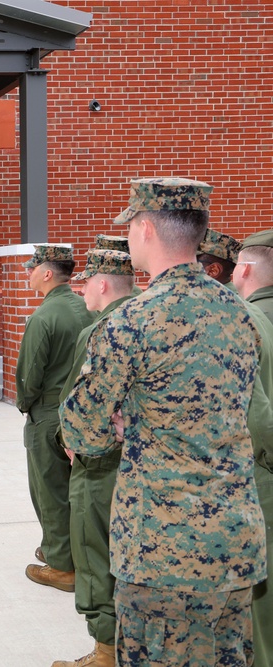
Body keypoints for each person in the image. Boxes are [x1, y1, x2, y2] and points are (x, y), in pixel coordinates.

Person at [61, 178, 267, 666]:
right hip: (235, 543)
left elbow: (78, 431)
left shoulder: (132, 320)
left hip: (162, 552)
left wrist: (120, 424)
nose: (129, 236)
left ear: (147, 228)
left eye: (130, 226)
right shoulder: (240, 314)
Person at [52, 249, 135, 667]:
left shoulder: (105, 329)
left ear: (103, 284)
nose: (80, 287)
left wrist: (67, 438)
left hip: (99, 467)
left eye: (87, 280)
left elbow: (80, 408)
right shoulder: (147, 318)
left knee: (95, 558)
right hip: (136, 468)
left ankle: (105, 651)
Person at [17, 244, 93, 593]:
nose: (27, 272)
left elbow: (29, 376)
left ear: (47, 273)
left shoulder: (44, 317)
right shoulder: (87, 307)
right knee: (78, 491)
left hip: (48, 412)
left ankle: (62, 564)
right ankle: (70, 552)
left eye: (32, 267)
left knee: (50, 491)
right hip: (85, 411)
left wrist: (25, 406)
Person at [232, 229, 273, 667]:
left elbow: (259, 419)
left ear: (243, 268)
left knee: (262, 616)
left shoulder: (242, 321)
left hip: (262, 478)